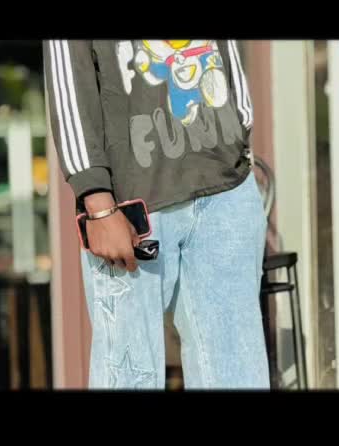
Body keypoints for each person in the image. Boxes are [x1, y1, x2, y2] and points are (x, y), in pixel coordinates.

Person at [44, 40, 270, 389]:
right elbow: (67, 77)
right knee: (129, 378)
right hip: (132, 207)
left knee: (238, 376)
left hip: (225, 188)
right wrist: (96, 199)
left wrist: (240, 130)